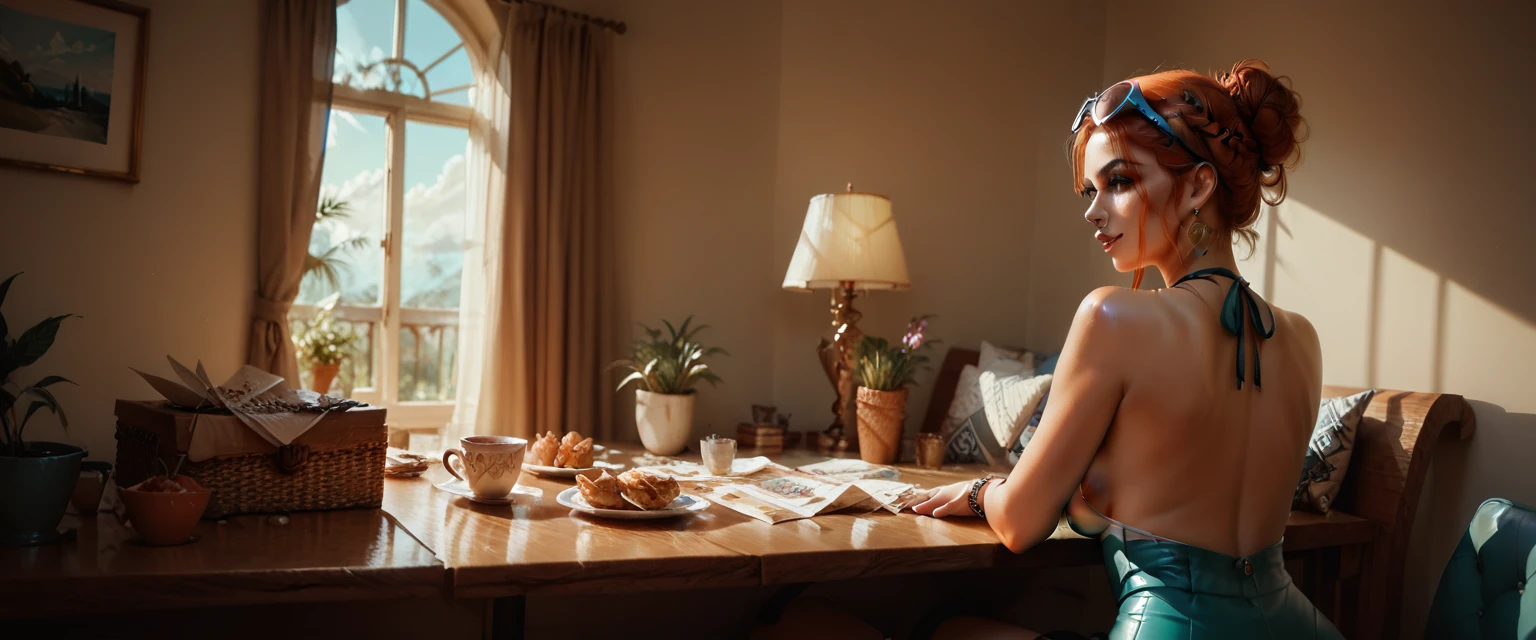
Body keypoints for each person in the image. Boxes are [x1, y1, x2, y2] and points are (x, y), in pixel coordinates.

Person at [913, 59, 1342, 639]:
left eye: (1119, 182)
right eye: (1092, 189)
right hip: (1300, 625)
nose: (1093, 211)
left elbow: (1018, 523)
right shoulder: (1302, 338)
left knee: (940, 629)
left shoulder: (1113, 315)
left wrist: (980, 490)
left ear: (1197, 185)